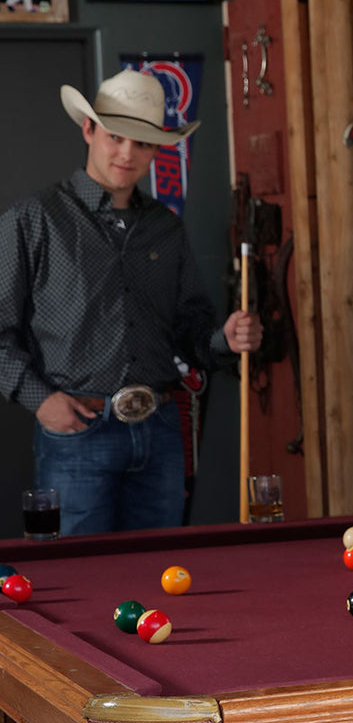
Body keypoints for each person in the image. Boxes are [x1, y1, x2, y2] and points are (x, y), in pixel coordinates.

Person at [0, 69, 261, 534]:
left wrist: (226, 339)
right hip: (76, 435)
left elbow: (192, 332)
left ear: (155, 151)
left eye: (142, 143)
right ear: (89, 129)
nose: (127, 154)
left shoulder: (166, 227)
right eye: (116, 136)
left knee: (159, 578)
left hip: (160, 432)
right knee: (76, 578)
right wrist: (40, 401)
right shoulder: (33, 220)